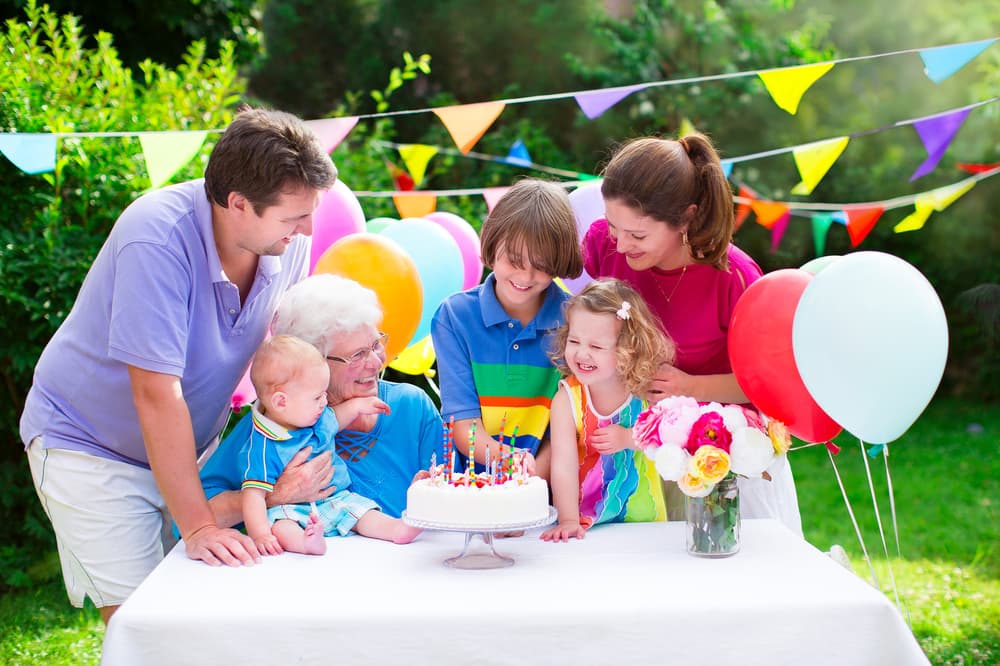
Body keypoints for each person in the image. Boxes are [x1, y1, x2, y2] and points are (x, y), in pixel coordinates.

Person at [20, 107, 338, 621]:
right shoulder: (157, 237)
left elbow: (289, 360)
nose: (306, 230)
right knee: (144, 625)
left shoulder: (285, 242)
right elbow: (155, 392)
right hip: (90, 448)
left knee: (209, 616)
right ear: (238, 203)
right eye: (293, 216)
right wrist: (199, 526)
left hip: (192, 447)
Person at [583, 133, 801, 534]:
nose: (620, 243)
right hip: (636, 454)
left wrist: (690, 387)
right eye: (615, 226)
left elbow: (774, 390)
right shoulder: (604, 244)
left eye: (638, 235)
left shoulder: (734, 278)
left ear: (685, 218)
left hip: (722, 456)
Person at [200, 273, 444, 524]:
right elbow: (195, 516)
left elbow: (455, 502)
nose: (375, 362)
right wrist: (273, 495)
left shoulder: (411, 407)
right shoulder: (273, 424)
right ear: (312, 361)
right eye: (358, 355)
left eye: (376, 344)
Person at [431, 178, 584, 482]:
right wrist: (508, 464)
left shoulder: (576, 320)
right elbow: (463, 424)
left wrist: (528, 484)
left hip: (555, 489)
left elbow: (570, 428)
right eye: (514, 260)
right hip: (472, 487)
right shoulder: (454, 317)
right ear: (492, 243)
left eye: (541, 265)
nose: (525, 276)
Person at [220, 335, 419, 556]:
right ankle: (306, 544)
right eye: (317, 397)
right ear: (281, 402)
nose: (324, 402)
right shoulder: (264, 445)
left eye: (324, 394)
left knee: (363, 512)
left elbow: (338, 417)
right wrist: (261, 535)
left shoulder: (317, 417)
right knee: (281, 526)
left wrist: (360, 405)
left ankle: (397, 529)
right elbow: (254, 496)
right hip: (289, 510)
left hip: (337, 498)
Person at [540, 279, 674, 542]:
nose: (581, 354)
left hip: (642, 516)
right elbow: (563, 464)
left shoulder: (645, 391)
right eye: (574, 341)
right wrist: (567, 520)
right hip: (585, 521)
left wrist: (627, 439)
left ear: (628, 350)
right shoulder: (567, 399)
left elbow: (667, 438)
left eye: (596, 347)